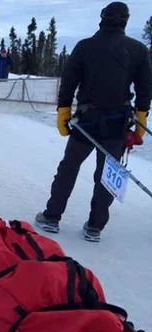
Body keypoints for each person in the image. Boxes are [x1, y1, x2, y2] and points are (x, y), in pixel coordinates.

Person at [34, 1, 151, 242]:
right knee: (108, 173)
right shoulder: (138, 49)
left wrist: (63, 110)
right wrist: (141, 114)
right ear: (125, 21)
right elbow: (144, 87)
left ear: (103, 18)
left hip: (87, 121)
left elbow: (69, 80)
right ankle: (95, 226)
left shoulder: (85, 46)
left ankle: (52, 216)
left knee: (69, 168)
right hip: (118, 121)